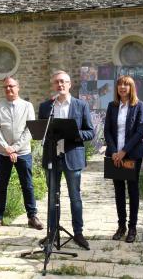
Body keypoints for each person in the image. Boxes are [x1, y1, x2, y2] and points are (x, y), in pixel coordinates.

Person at [38, 70, 95, 250]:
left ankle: (78, 233)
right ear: (53, 85)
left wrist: (73, 133)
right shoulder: (46, 107)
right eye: (57, 82)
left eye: (63, 82)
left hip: (72, 156)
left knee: (75, 197)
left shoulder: (81, 105)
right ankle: (53, 231)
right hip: (52, 157)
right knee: (52, 197)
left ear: (70, 84)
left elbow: (90, 132)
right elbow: (41, 131)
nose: (60, 85)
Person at [0, 76, 43, 230]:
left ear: (18, 87)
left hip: (23, 152)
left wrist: (15, 148)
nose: (8, 89)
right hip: (2, 153)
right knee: (0, 186)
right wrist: (7, 148)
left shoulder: (27, 106)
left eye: (11, 86)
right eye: (5, 87)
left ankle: (32, 216)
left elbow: (30, 130)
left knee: (27, 185)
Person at [104, 75, 143, 243]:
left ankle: (132, 228)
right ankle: (121, 226)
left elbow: (139, 132)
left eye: (126, 85)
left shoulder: (139, 106)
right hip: (115, 156)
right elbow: (107, 130)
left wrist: (124, 151)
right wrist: (114, 151)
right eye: (120, 84)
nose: (122, 87)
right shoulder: (112, 106)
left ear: (131, 88)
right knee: (119, 191)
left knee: (133, 191)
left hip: (132, 155)